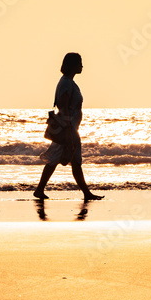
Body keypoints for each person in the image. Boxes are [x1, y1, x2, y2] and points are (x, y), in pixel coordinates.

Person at [34, 52, 104, 201]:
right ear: (72, 65)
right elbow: (64, 106)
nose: (82, 66)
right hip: (68, 128)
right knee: (66, 161)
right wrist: (68, 132)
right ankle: (85, 193)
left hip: (70, 128)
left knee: (66, 160)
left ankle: (40, 189)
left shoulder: (69, 82)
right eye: (79, 63)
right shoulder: (66, 83)